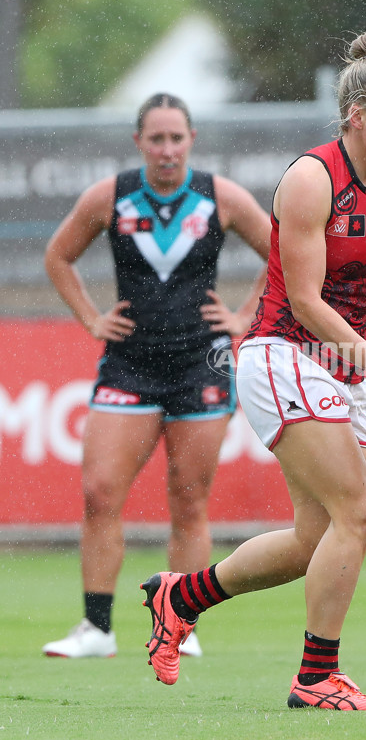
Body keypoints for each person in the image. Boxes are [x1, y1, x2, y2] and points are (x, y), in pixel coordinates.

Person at [140, 34, 366, 710]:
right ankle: (316, 677)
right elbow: (308, 301)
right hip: (281, 353)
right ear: (356, 117)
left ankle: (181, 595)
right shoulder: (312, 178)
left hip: (342, 364)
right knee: (361, 511)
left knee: (316, 538)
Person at [42, 93, 271, 659]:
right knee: (99, 493)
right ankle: (97, 629)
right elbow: (58, 256)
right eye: (156, 139)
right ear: (139, 142)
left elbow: (285, 253)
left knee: (189, 499)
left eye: (176, 138)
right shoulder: (111, 197)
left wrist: (244, 317)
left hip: (201, 365)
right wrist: (92, 318)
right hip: (130, 365)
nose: (167, 150)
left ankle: (182, 625)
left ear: (192, 139)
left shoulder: (221, 197)